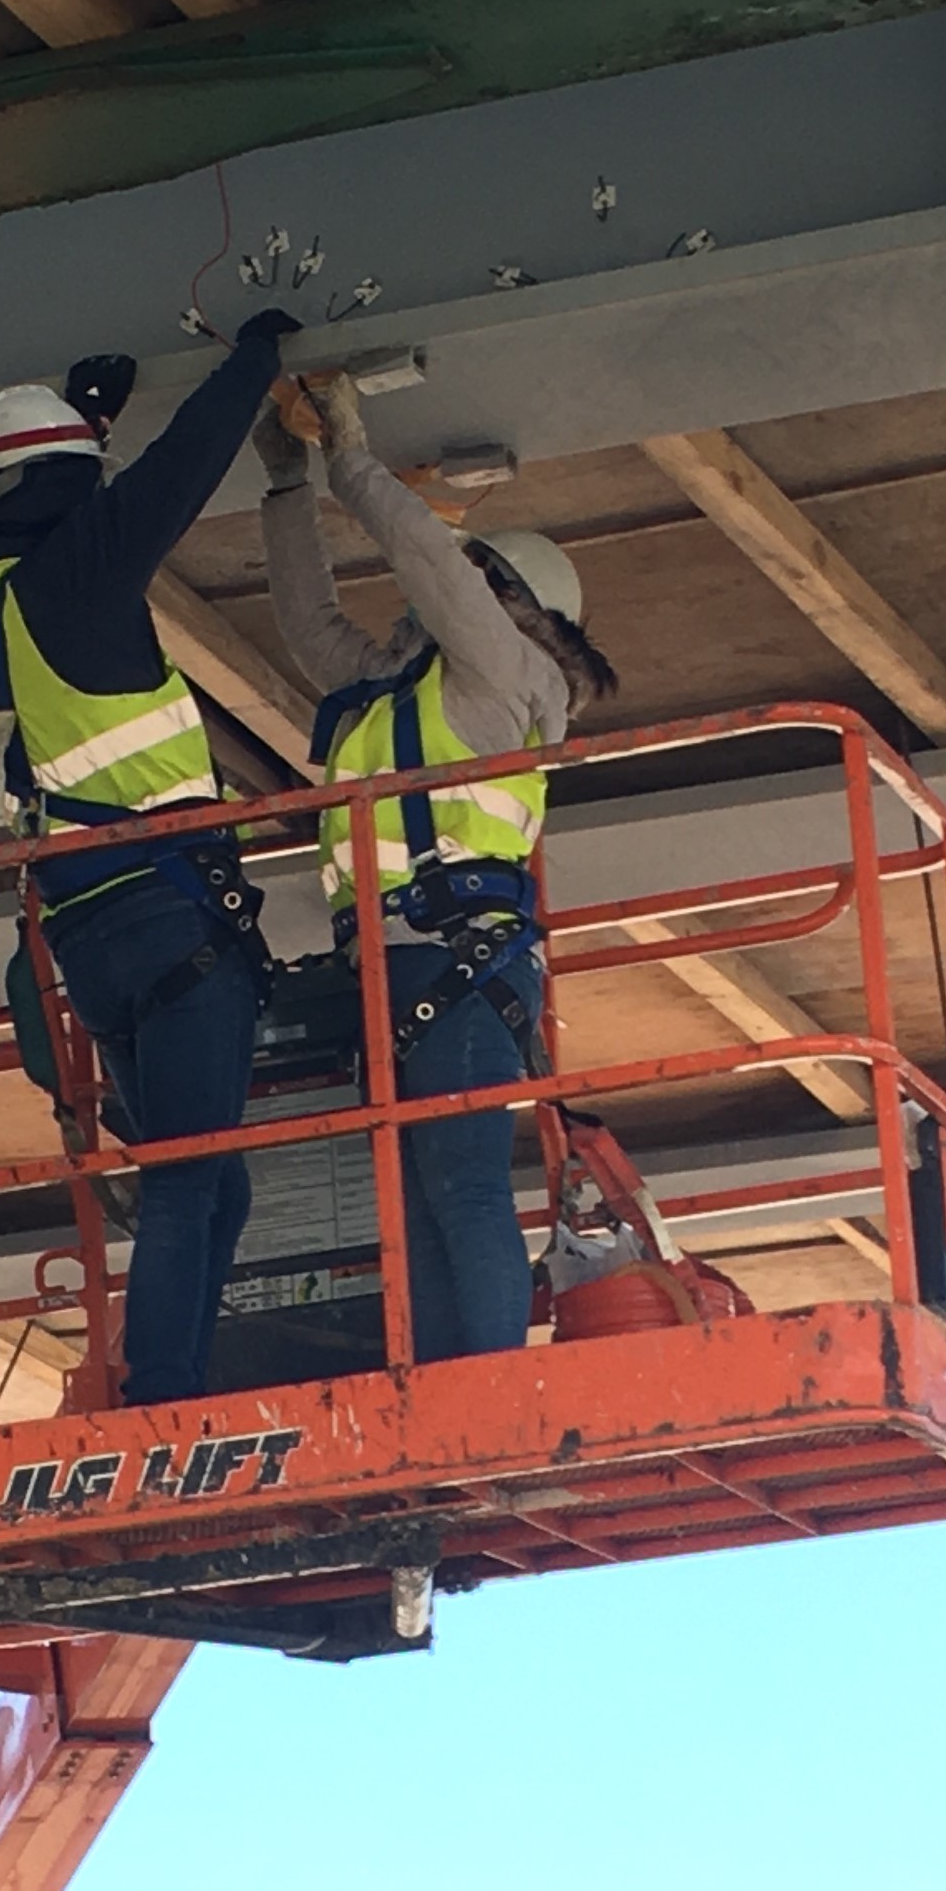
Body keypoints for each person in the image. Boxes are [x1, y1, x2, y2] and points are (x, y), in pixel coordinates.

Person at [0, 320, 298, 1403]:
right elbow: (174, 478)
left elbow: (54, 518)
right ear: (57, 488)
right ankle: (166, 1392)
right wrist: (256, 357)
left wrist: (85, 425)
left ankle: (178, 1372)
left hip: (86, 936)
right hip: (172, 918)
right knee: (194, 1178)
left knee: (208, 1184)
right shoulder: (75, 582)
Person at [256, 376, 617, 1359]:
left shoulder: (507, 676)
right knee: (408, 1204)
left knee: (457, 1185)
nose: (434, 591)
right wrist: (286, 486)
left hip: (456, 965)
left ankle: (485, 1380)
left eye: (471, 575)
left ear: (505, 599)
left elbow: (428, 567)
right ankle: (438, 1383)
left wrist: (350, 455)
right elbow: (306, 621)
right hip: (391, 969)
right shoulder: (402, 688)